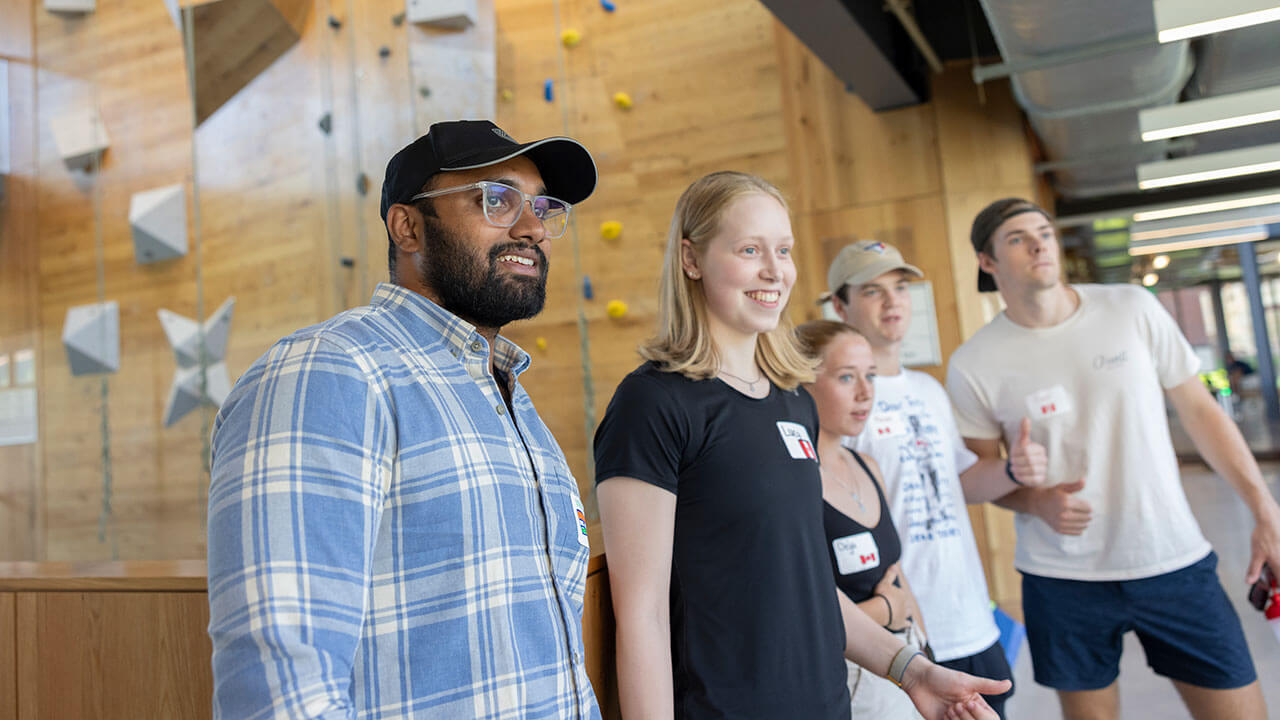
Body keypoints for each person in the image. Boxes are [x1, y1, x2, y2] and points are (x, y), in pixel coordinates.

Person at [207, 120, 602, 719]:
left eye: (543, 207)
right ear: (407, 225)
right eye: (495, 200)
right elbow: (281, 684)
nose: (531, 228)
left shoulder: (511, 399)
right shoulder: (330, 371)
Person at [593, 171, 1011, 720]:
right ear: (691, 259)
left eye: (783, 250)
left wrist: (911, 670)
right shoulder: (652, 404)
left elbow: (809, 580)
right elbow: (641, 614)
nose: (774, 270)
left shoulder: (792, 402)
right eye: (749, 249)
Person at [946, 197, 1280, 720]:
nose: (1039, 243)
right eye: (1017, 238)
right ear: (987, 263)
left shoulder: (1131, 308)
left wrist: (1265, 509)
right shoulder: (974, 363)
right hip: (1062, 578)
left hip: (1173, 560)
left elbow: (1201, 413)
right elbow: (977, 476)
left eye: (1045, 231)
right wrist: (1034, 500)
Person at [825, 240, 1029, 719]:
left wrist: (1015, 468)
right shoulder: (841, 405)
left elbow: (961, 484)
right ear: (840, 305)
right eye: (873, 291)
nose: (894, 301)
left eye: (900, 288)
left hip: (974, 621)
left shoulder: (928, 389)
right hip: (906, 636)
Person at [796, 319, 928, 720]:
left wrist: (928, 657)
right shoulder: (793, 482)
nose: (865, 392)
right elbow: (794, 614)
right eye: (846, 377)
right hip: (847, 677)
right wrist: (884, 611)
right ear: (802, 383)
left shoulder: (866, 464)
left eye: (870, 375)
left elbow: (897, 575)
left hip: (906, 663)